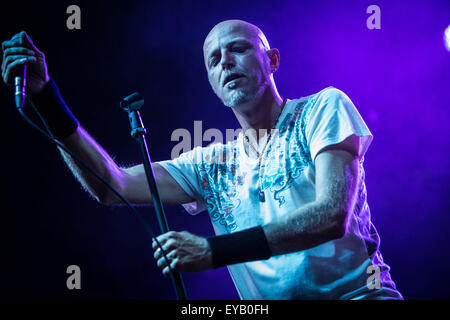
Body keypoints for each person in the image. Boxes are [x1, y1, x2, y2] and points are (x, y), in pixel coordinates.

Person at [1, 19, 403, 300]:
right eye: (213, 59)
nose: (225, 61)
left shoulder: (323, 108)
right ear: (211, 81)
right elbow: (112, 185)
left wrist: (212, 251)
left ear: (272, 60)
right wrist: (46, 98)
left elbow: (331, 215)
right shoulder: (211, 162)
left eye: (239, 49)